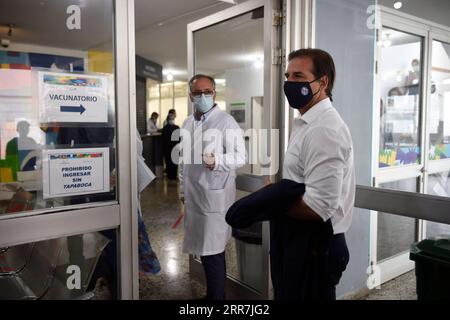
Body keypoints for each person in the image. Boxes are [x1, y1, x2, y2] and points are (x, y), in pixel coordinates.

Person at [282, 48, 355, 299]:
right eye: (287, 76)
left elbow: (319, 206)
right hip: (305, 239)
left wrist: (270, 203)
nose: (289, 83)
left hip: (317, 244)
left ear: (322, 82)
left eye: (298, 77)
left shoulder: (324, 129)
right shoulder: (305, 123)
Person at [179, 74, 246, 300]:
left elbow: (241, 156)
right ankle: (212, 297)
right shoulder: (188, 122)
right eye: (198, 93)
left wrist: (217, 161)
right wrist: (181, 191)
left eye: (207, 92)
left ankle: (217, 300)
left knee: (214, 253)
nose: (203, 96)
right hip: (194, 197)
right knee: (205, 253)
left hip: (214, 198)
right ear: (191, 96)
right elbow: (183, 162)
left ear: (215, 93)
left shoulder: (226, 122)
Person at [161, 113, 180, 180]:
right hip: (168, 149)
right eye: (171, 119)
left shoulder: (176, 127)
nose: (172, 120)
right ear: (168, 119)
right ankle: (170, 176)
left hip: (174, 148)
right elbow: (164, 139)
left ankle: (174, 176)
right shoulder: (165, 128)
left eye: (173, 119)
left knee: (174, 163)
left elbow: (179, 138)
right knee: (169, 163)